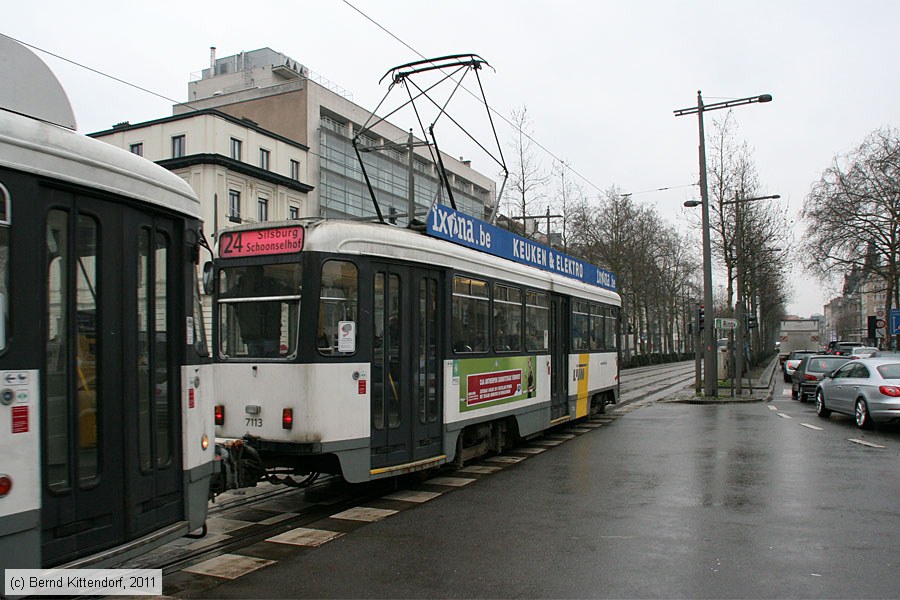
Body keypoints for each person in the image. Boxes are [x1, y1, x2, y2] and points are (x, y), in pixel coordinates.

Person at [233, 266, 283, 357]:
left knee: (255, 364)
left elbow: (228, 296)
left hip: (253, 334)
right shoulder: (271, 284)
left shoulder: (241, 287)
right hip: (268, 333)